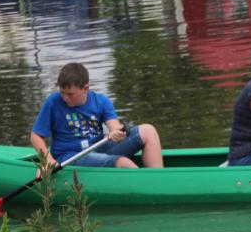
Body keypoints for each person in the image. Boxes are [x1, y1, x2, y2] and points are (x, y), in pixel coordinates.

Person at [30, 62, 164, 169]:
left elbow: (115, 127)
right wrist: (48, 160)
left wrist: (117, 133)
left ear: (85, 89)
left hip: (99, 148)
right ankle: (150, 188)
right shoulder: (53, 102)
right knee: (123, 163)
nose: (65, 97)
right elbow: (35, 136)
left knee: (148, 131)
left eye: (70, 94)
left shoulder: (101, 101)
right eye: (62, 92)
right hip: (70, 156)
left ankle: (159, 179)